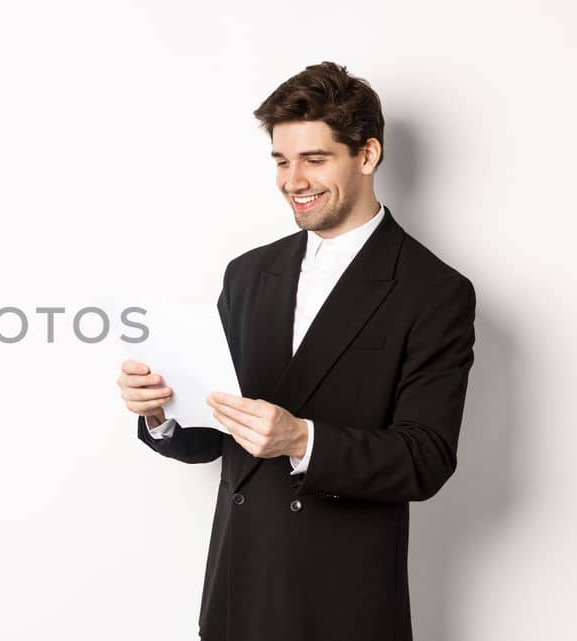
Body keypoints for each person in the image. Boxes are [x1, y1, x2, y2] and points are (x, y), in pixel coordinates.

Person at [116, 61, 476, 641]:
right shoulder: (250, 273)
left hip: (342, 604)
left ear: (367, 155)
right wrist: (161, 409)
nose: (293, 181)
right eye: (282, 161)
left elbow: (426, 457)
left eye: (314, 159)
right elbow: (210, 439)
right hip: (237, 593)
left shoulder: (434, 291)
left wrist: (302, 440)